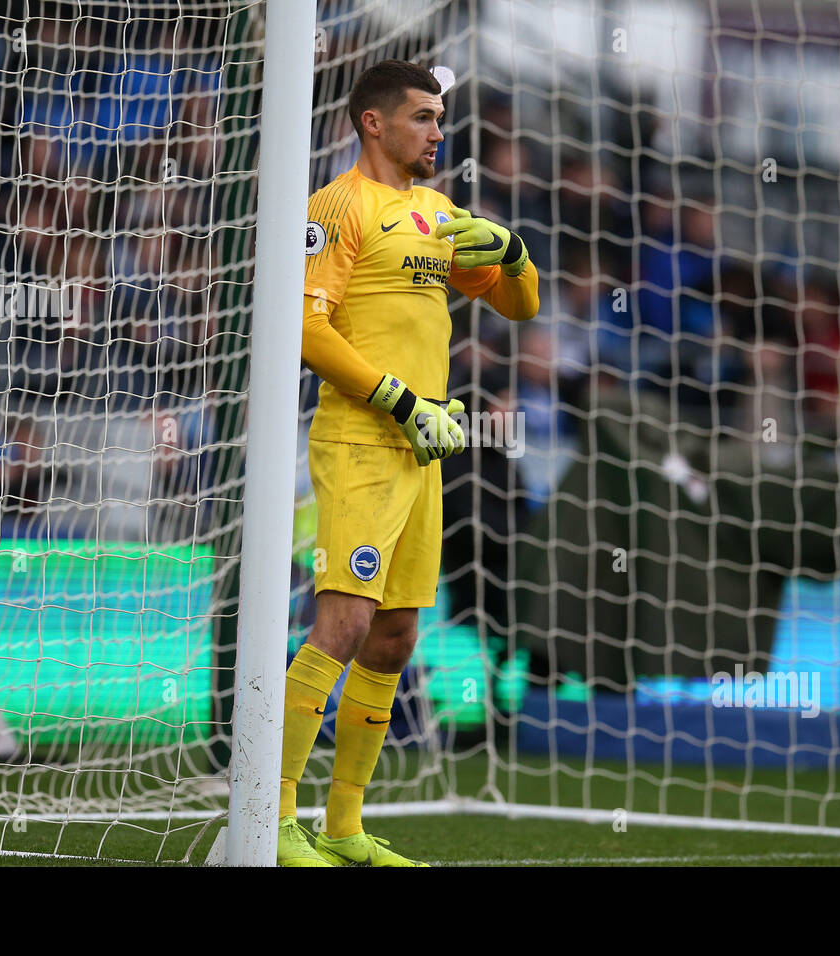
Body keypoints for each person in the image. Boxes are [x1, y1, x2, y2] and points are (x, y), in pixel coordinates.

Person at [279, 60, 539, 867]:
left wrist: (514, 249)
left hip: (427, 449)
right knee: (345, 622)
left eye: (440, 118)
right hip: (363, 439)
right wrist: (401, 401)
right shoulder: (336, 206)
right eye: (423, 117)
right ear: (374, 123)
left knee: (394, 636)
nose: (437, 131)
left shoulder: (436, 212)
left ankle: (343, 827)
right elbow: (307, 330)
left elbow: (518, 304)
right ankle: (272, 817)